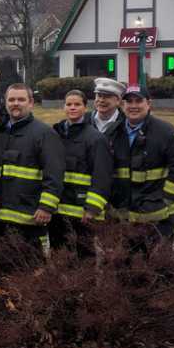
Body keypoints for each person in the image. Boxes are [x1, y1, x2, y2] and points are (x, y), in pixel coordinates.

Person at [0, 83, 65, 264]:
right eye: (11, 100)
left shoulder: (44, 134)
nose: (16, 103)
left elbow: (54, 173)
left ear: (31, 103)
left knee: (30, 273)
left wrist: (46, 206)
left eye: (21, 99)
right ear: (5, 103)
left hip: (30, 218)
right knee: (1, 272)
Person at [106, 85, 174, 246]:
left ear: (149, 103)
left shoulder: (166, 132)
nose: (133, 106)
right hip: (122, 217)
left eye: (139, 101)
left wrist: (166, 200)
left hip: (157, 218)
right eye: (129, 101)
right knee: (124, 267)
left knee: (158, 268)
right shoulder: (112, 133)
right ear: (122, 105)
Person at [48, 90, 112, 259]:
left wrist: (92, 208)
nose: (73, 108)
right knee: (59, 255)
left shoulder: (96, 139)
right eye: (69, 104)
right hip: (58, 210)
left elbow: (102, 176)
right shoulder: (55, 134)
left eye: (77, 104)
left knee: (85, 257)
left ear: (86, 108)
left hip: (82, 213)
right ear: (64, 107)